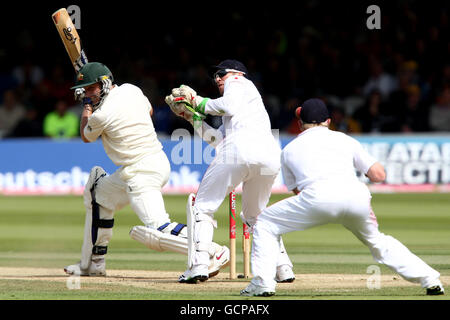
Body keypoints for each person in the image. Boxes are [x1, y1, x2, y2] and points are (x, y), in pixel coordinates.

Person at [240, 98, 444, 296]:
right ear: (328, 122)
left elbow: (297, 192)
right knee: (377, 241)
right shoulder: (345, 139)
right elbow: (379, 175)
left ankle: (263, 283)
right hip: (357, 197)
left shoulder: (289, 149)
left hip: (317, 198)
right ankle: (430, 279)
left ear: (300, 123)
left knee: (265, 222)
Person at [64, 62, 229, 277]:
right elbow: (149, 110)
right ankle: (94, 263)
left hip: (141, 173)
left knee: (157, 229)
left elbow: (86, 136)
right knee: (99, 193)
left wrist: (87, 107)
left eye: (89, 89)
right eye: (84, 90)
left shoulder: (100, 115)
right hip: (149, 164)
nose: (87, 94)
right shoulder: (132, 90)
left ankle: (213, 251)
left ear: (104, 84)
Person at [165, 59, 294, 283]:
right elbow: (218, 139)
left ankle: (199, 265)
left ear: (235, 73)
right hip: (269, 155)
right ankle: (283, 267)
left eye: (220, 74)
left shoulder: (238, 81)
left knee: (202, 208)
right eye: (215, 76)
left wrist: (196, 101)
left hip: (240, 150)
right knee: (256, 215)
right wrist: (191, 117)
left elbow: (227, 106)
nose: (217, 79)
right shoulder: (247, 105)